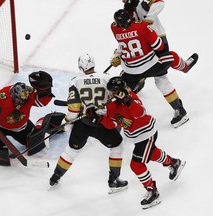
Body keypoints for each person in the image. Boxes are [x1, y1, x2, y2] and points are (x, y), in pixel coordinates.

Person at [49, 54, 128, 193]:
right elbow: (121, 97)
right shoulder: (106, 78)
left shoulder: (75, 82)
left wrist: (67, 122)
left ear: (80, 66)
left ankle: (55, 177)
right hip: (103, 123)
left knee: (71, 151)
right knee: (117, 146)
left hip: (83, 123)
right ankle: (113, 181)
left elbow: (74, 109)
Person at [103, 76, 186, 209]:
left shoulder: (132, 97)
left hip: (147, 133)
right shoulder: (112, 106)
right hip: (137, 137)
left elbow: (139, 113)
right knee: (152, 153)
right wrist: (98, 118)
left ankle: (152, 191)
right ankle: (173, 162)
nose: (114, 94)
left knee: (136, 165)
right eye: (112, 92)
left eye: (117, 91)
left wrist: (127, 100)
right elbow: (112, 124)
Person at [110, 9, 198, 128]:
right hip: (151, 66)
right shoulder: (142, 26)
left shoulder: (114, 28)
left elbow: (123, 40)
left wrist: (117, 55)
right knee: (170, 58)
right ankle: (184, 68)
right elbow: (159, 46)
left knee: (122, 89)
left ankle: (119, 118)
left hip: (130, 71)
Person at [0, 71, 54, 156]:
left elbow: (42, 102)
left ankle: (40, 123)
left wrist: (46, 90)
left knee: (35, 145)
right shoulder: (3, 95)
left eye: (23, 101)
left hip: (21, 128)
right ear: (12, 95)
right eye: (18, 101)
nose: (21, 103)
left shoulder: (29, 92)